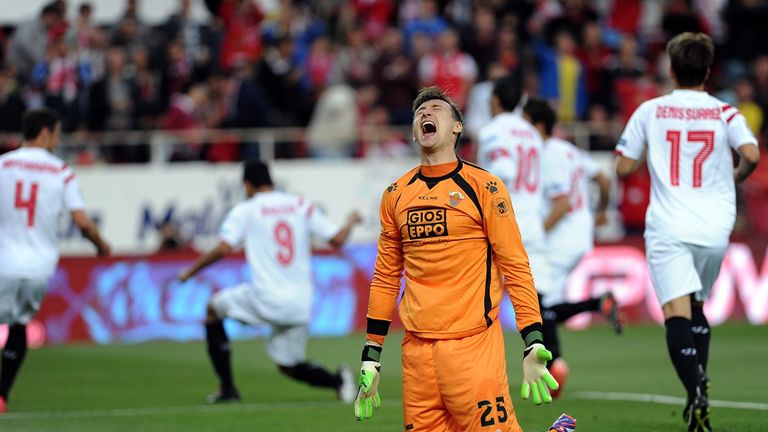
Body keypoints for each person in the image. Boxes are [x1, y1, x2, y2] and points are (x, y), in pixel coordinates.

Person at [353, 86, 574, 432]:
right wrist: (372, 355)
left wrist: (533, 338)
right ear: (414, 132)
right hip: (417, 354)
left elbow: (515, 265)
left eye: (436, 108)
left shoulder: (484, 187)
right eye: (419, 111)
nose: (426, 113)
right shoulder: (395, 195)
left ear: (457, 127)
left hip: (472, 346)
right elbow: (385, 277)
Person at [615, 33, 760, 432]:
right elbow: (751, 154)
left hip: (669, 224)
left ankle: (695, 389)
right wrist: (733, 177)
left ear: (672, 69)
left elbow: (623, 167)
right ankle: (701, 386)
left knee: (675, 312)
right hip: (715, 226)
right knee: (697, 307)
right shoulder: (725, 112)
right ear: (708, 72)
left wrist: (652, 154)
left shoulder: (650, 110)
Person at [178, 160, 362, 404]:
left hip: (266, 298)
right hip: (299, 303)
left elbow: (223, 248)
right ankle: (339, 381)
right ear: (271, 181)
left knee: (213, 309)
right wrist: (350, 221)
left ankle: (227, 389)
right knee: (289, 366)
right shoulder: (299, 204)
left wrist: (190, 272)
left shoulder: (247, 210)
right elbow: (338, 239)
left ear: (247, 185)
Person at [0, 108, 110, 413]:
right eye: (57, 134)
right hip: (39, 266)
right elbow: (83, 222)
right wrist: (101, 245)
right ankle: (1, 395)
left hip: (3, 260)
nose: (58, 140)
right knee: (19, 325)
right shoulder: (61, 171)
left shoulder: (3, 164)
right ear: (45, 132)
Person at [523, 97, 621, 398]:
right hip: (580, 234)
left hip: (560, 238)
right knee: (546, 305)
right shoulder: (570, 150)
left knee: (538, 304)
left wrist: (537, 234)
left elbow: (562, 203)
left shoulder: (548, 154)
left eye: (525, 124)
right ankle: (596, 305)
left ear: (539, 125)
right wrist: (601, 210)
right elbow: (603, 179)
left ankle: (556, 365)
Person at [476, 74, 553, 343]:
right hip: (532, 224)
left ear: (495, 100)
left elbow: (503, 170)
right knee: (536, 300)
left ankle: (478, 357)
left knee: (482, 297)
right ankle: (546, 357)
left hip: (503, 226)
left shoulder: (492, 131)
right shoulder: (532, 133)